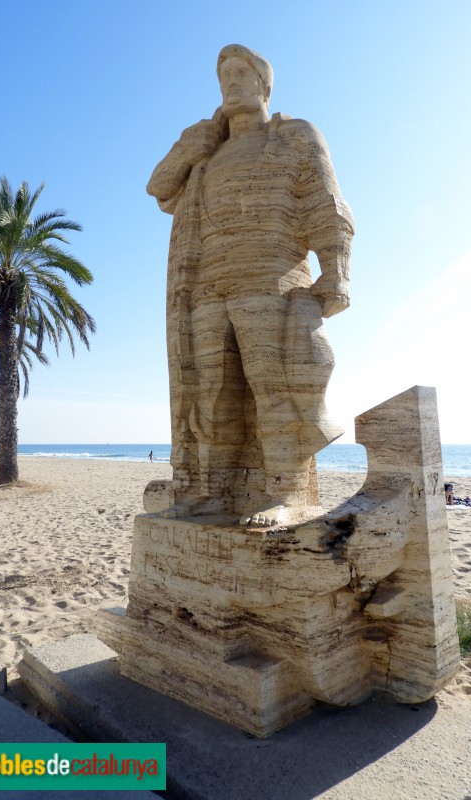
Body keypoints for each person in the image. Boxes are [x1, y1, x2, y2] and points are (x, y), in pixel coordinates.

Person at [147, 44, 354, 526]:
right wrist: (191, 145)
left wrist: (337, 271)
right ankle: (214, 494)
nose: (230, 82)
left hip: (271, 280)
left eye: (241, 73)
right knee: (210, 394)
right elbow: (159, 187)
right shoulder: (205, 151)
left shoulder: (294, 135)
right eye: (223, 76)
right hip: (206, 288)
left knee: (274, 386)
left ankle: (288, 494)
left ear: (264, 83)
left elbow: (327, 203)